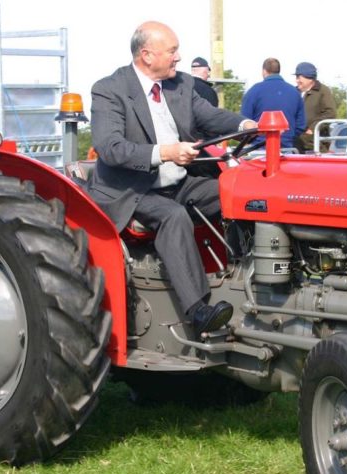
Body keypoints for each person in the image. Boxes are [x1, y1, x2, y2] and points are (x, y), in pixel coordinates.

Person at [89, 21, 255, 335]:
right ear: (147, 55)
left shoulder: (180, 85)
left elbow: (209, 116)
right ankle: (199, 310)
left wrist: (247, 124)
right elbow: (110, 148)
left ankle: (243, 275)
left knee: (238, 192)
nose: (178, 58)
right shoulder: (109, 89)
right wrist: (165, 152)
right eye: (172, 51)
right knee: (174, 216)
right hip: (130, 189)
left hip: (175, 182)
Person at [240, 58, 306, 149]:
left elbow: (244, 121)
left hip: (259, 150)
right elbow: (300, 125)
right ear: (279, 71)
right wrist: (287, 137)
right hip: (287, 148)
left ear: (264, 71)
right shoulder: (294, 92)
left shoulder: (254, 91)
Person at [293, 62, 337, 153]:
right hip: (296, 140)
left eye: (299, 77)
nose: (296, 80)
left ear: (309, 78)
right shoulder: (294, 92)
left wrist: (313, 129)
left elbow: (330, 113)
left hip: (315, 141)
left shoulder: (323, 91)